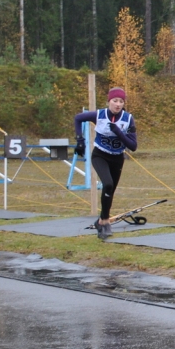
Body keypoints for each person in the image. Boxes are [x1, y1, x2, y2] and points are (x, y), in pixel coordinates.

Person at [72, 88, 138, 239]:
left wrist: (119, 132)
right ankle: (106, 222)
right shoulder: (99, 115)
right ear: (109, 101)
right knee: (107, 184)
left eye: (121, 101)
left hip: (117, 157)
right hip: (100, 155)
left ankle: (101, 221)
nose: (118, 104)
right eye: (115, 101)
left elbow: (133, 146)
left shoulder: (128, 119)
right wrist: (79, 140)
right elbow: (78, 118)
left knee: (110, 191)